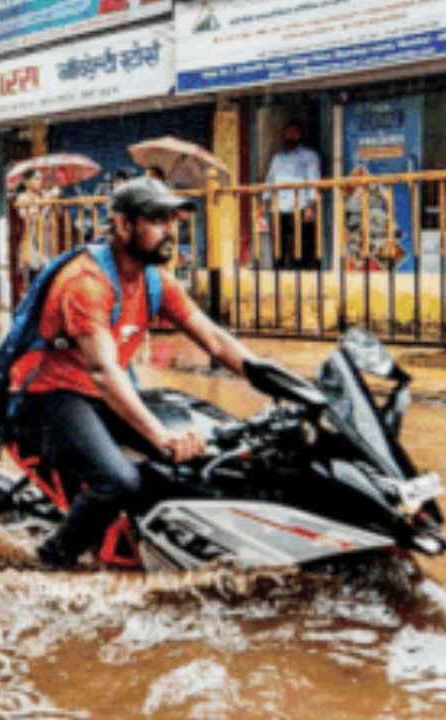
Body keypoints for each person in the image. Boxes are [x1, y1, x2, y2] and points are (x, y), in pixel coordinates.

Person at [19, 177, 264, 570]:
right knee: (120, 480)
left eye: (174, 220)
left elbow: (215, 340)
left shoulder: (153, 280)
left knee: (212, 452)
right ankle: (49, 560)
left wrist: (283, 384)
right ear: (122, 226)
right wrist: (160, 435)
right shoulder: (87, 285)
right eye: (158, 220)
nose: (172, 231)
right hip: (53, 394)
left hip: (105, 391)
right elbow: (103, 370)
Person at [263, 121, 321, 271]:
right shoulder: (278, 158)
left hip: (299, 206)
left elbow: (313, 181)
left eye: (295, 133)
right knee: (278, 246)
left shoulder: (309, 156)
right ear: (284, 135)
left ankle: (301, 278)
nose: (291, 136)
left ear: (300, 135)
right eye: (289, 133)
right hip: (278, 207)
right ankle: (279, 277)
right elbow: (270, 180)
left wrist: (310, 207)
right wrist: (264, 205)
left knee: (300, 246)